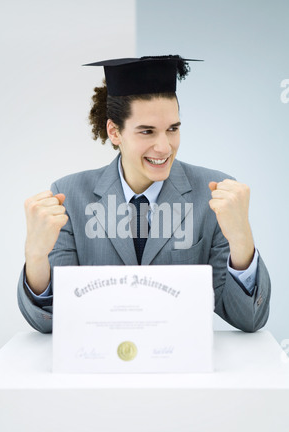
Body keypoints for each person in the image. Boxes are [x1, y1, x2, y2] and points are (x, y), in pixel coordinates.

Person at [17, 55, 271, 334]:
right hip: (99, 364)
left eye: (172, 129)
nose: (164, 147)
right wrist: (36, 256)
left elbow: (248, 319)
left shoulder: (215, 193)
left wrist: (242, 240)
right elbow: (52, 322)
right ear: (115, 131)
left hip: (181, 364)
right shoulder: (70, 196)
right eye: (147, 131)